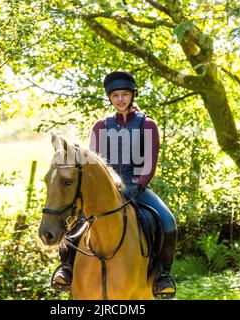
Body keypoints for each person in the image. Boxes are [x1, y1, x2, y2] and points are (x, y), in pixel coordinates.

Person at [50, 71, 178, 298]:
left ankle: (162, 276)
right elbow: (91, 164)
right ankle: (67, 269)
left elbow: (150, 162)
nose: (120, 99)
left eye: (125, 94)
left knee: (168, 222)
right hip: (105, 191)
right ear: (110, 98)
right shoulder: (100, 126)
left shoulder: (147, 125)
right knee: (74, 222)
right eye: (116, 95)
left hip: (137, 187)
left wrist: (137, 186)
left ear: (132, 96)